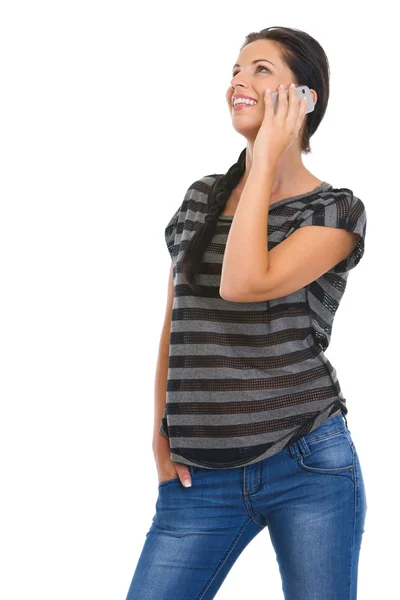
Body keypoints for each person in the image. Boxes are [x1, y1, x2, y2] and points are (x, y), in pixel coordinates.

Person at [125, 26, 367, 600]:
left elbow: (243, 283)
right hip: (199, 476)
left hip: (308, 464)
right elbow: (175, 322)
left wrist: (263, 163)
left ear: (304, 99)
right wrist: (161, 431)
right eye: (236, 70)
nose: (238, 81)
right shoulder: (201, 196)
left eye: (260, 69)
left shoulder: (334, 211)